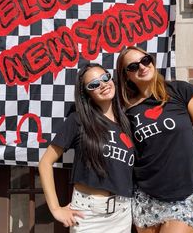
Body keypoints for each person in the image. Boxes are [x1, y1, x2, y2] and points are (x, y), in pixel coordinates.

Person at [116, 46, 193, 233]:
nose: (142, 67)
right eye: (133, 66)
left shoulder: (180, 90)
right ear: (126, 75)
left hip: (186, 193)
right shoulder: (126, 110)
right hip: (146, 196)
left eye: (145, 60)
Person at [39, 63, 134, 233]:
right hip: (88, 215)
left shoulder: (127, 123)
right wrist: (55, 209)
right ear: (87, 94)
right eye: (94, 84)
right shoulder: (78, 121)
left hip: (123, 213)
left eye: (105, 78)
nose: (103, 85)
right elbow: (45, 163)